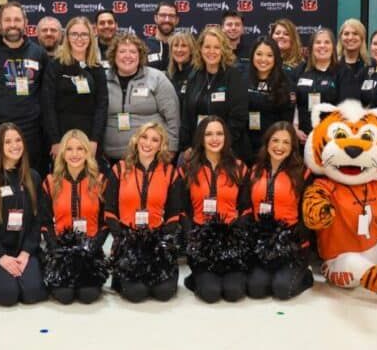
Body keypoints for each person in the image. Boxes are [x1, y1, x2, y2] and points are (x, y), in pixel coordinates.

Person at [173, 116, 251, 303]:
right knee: (211, 294)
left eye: (219, 133)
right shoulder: (187, 168)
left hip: (230, 239)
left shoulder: (239, 168)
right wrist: (192, 235)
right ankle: (197, 278)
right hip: (201, 240)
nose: (214, 139)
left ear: (226, 137)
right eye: (208, 134)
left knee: (234, 293)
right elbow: (182, 208)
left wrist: (236, 233)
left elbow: (247, 207)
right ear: (201, 137)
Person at [0, 123, 49, 306]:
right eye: (8, 142)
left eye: (18, 140)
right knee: (8, 295)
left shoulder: (33, 177)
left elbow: (38, 221)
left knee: (32, 293)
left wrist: (26, 253)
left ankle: (18, 273)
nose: (15, 145)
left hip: (22, 249)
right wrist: (1, 257)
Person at [104, 123, 181, 302]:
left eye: (155, 139)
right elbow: (109, 211)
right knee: (136, 293)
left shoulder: (170, 172)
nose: (148, 143)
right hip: (127, 242)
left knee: (163, 293)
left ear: (161, 145)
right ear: (136, 139)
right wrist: (124, 237)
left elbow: (174, 214)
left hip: (156, 242)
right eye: (144, 137)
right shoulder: (119, 169)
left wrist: (159, 239)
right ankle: (119, 276)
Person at [0, 2, 49, 172]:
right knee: (1, 192)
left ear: (25, 22)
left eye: (17, 20)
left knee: (32, 189)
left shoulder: (38, 54)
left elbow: (46, 98)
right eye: (7, 20)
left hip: (32, 137)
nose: (12, 24)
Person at [245, 122, 313, 300]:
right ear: (267, 143)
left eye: (286, 142)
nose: (279, 146)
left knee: (282, 290)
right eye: (275, 140)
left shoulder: (303, 173)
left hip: (291, 244)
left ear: (292, 147)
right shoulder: (254, 171)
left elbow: (307, 214)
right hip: (264, 243)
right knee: (255, 290)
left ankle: (305, 275)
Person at [43, 129, 107, 304]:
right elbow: (45, 221)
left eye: (80, 149)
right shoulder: (50, 182)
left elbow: (105, 222)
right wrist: (54, 247)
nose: (75, 154)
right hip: (61, 251)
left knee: (88, 295)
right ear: (62, 153)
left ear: (87, 153)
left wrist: (94, 245)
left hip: (89, 250)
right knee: (64, 296)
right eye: (69, 149)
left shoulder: (100, 181)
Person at [103, 33, 179, 165]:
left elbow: (173, 116)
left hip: (151, 157)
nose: (127, 56)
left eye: (133, 51)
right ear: (114, 55)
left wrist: (172, 147)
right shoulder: (103, 80)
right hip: (111, 158)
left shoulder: (156, 78)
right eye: (122, 51)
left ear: (140, 55)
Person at [178, 27, 250, 161]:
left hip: (227, 150)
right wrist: (186, 146)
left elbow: (238, 117)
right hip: (197, 149)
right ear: (200, 49)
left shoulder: (233, 76)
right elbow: (187, 116)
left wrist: (220, 145)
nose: (211, 52)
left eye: (216, 47)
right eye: (207, 47)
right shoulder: (194, 76)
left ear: (223, 50)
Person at [43, 16, 108, 161]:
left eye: (84, 34)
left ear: (91, 38)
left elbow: (101, 107)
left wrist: (94, 140)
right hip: (62, 135)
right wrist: (55, 140)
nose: (80, 38)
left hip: (89, 137)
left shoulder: (97, 69)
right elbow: (48, 106)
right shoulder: (55, 66)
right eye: (74, 34)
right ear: (67, 37)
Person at [294, 28, 349, 144]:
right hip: (302, 137)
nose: (322, 46)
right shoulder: (301, 70)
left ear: (333, 47)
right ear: (311, 47)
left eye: (327, 42)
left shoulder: (343, 72)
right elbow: (293, 104)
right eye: (318, 42)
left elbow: (346, 108)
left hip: (331, 138)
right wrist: (294, 129)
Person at [245, 37, 294, 157]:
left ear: (276, 58)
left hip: (274, 147)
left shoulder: (285, 82)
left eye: (269, 55)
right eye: (259, 54)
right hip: (246, 144)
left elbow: (286, 121)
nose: (263, 59)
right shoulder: (242, 79)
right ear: (252, 56)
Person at [145, 1, 179, 70]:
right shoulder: (143, 46)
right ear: (155, 18)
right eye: (163, 15)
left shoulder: (182, 48)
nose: (167, 20)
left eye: (171, 16)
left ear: (176, 20)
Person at [270, 18, 305, 83]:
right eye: (277, 33)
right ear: (271, 36)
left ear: (293, 38)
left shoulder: (302, 66)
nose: (281, 36)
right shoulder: (264, 61)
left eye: (286, 34)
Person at [167, 31, 196, 101]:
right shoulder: (169, 76)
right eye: (176, 45)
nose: (179, 50)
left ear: (191, 50)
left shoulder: (198, 74)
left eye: (184, 46)